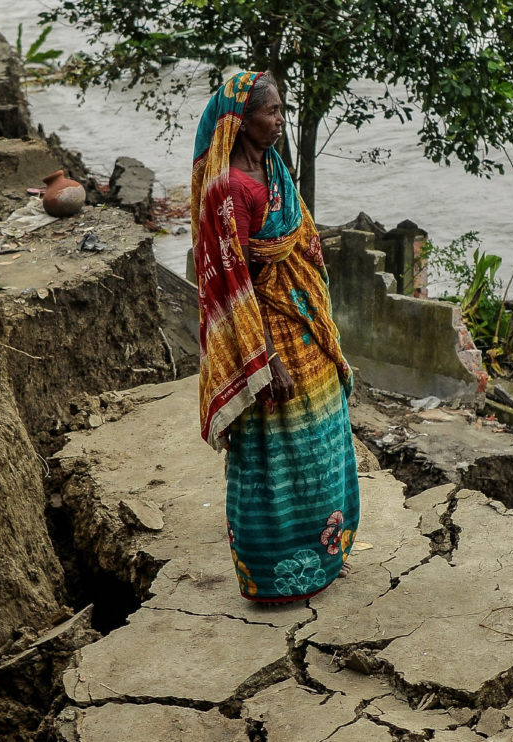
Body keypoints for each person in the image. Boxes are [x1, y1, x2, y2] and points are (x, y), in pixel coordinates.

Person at [191, 70, 359, 603]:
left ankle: (327, 554)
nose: (281, 121)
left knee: (322, 440)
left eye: (283, 110)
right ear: (242, 121)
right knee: (273, 454)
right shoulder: (227, 190)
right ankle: (273, 572)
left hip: (305, 325)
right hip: (266, 337)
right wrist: (267, 362)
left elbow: (302, 243)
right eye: (271, 112)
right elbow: (233, 280)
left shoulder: (276, 169)